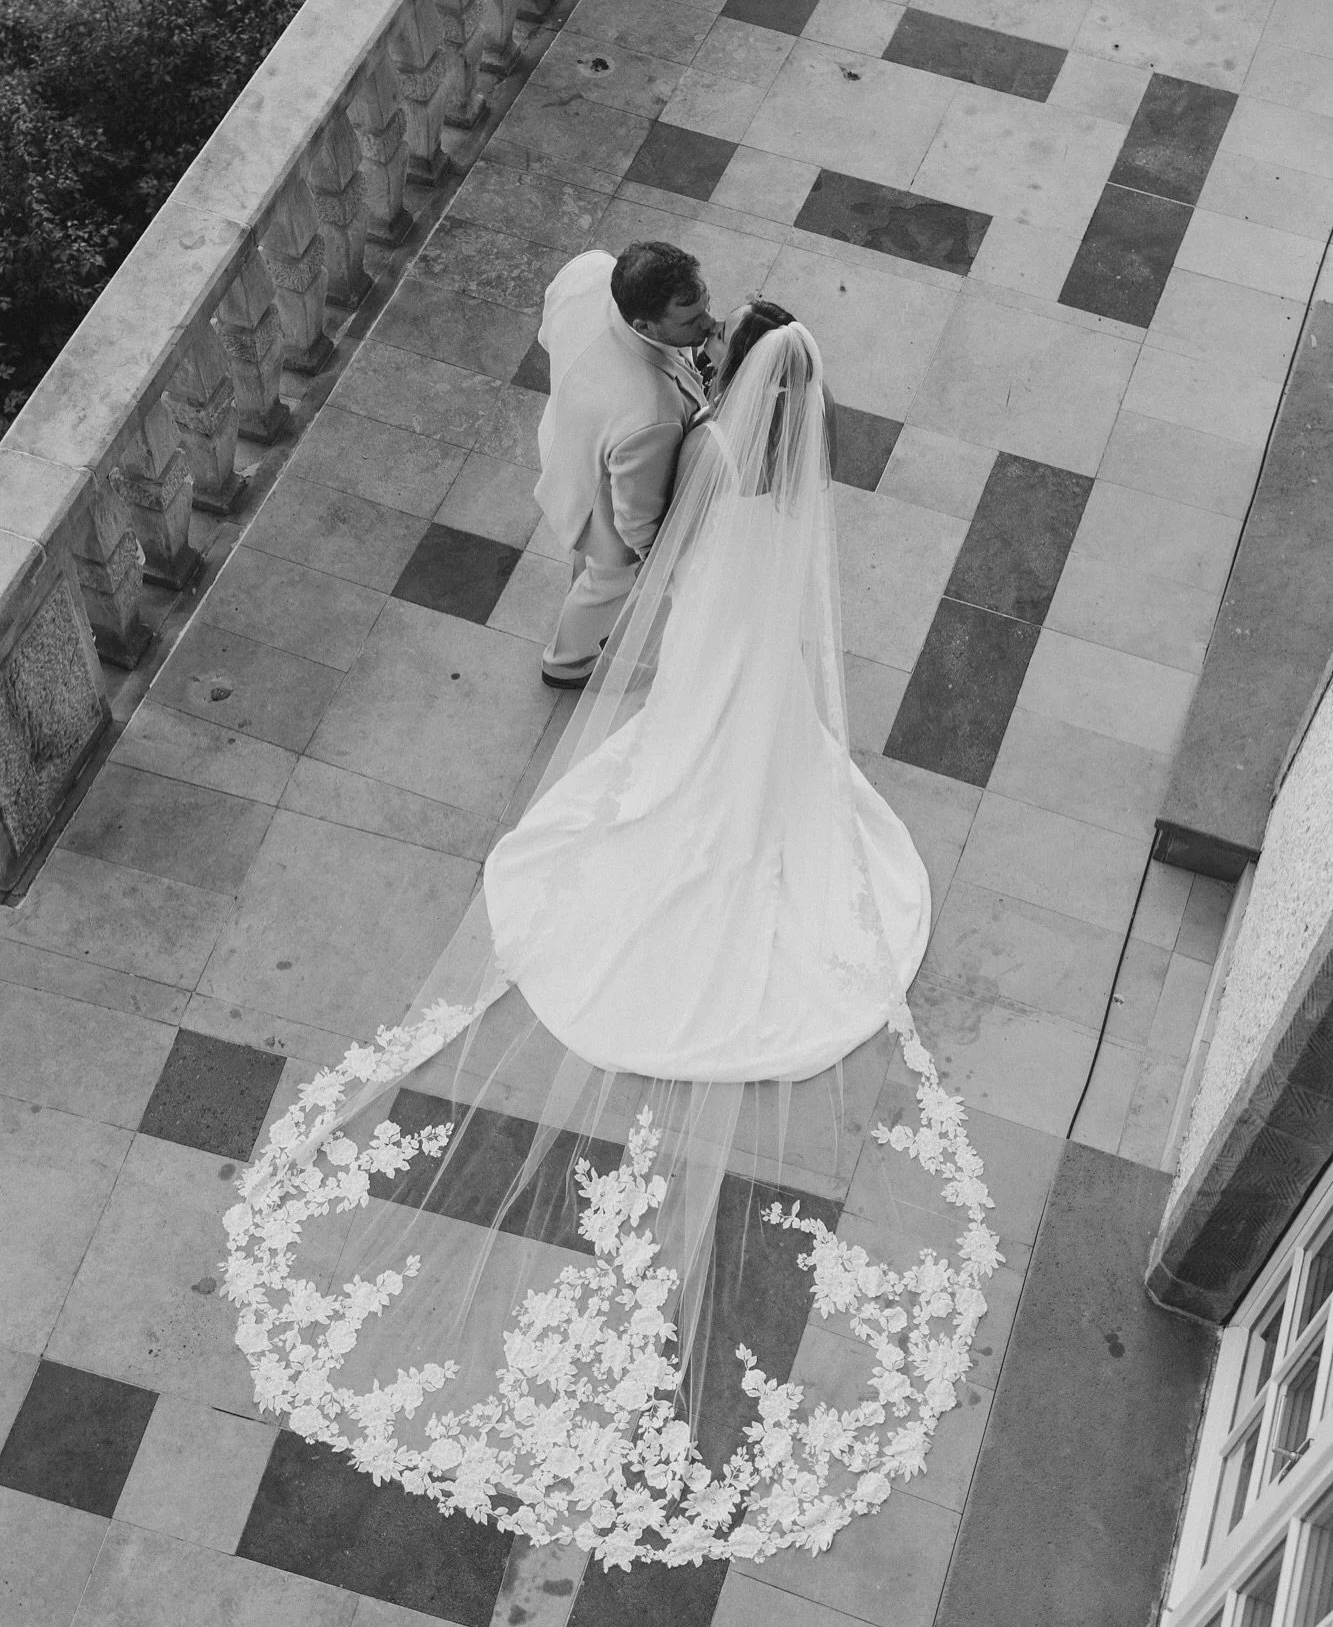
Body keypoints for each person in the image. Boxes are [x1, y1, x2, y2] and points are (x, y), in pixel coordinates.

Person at [223, 306, 999, 1571]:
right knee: (751, 733)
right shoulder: (798, 471)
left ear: (733, 375)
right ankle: (734, 803)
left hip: (712, 624)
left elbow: (681, 545)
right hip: (762, 641)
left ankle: (695, 801)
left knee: (680, 737)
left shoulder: (707, 452)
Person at [535, 241, 714, 689]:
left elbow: (548, 331)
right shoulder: (649, 411)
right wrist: (658, 565)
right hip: (598, 486)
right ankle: (568, 661)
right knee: (611, 576)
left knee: (590, 561)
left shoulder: (592, 271)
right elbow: (637, 518)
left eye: (704, 306)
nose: (708, 325)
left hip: (564, 433)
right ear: (643, 324)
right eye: (690, 321)